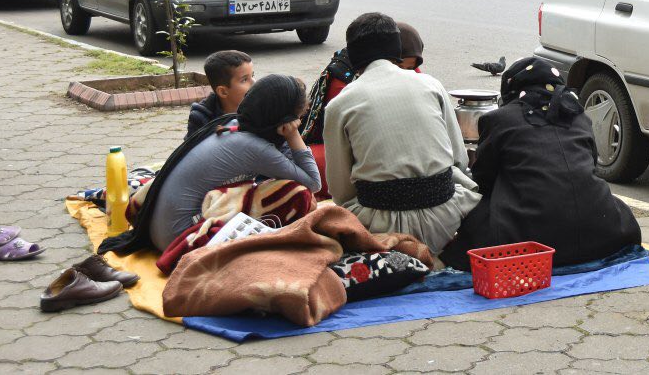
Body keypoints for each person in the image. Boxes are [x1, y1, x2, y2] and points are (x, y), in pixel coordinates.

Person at [439, 57, 642, 271]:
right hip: (600, 232)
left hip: (532, 237)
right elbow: (589, 166)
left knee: (474, 214)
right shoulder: (579, 116)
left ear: (511, 89)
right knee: (612, 206)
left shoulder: (500, 119)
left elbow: (483, 180)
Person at [100, 74, 320, 255]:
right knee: (296, 193)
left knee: (259, 190)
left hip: (155, 231)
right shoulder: (255, 147)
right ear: (284, 119)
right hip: (179, 242)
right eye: (299, 115)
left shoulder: (232, 123)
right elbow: (313, 182)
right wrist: (294, 136)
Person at [322, 13, 480, 254]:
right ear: (396, 49)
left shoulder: (340, 104)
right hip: (446, 219)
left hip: (379, 228)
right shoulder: (431, 84)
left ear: (353, 54)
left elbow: (341, 191)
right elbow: (459, 159)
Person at [301, 22, 425, 198]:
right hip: (353, 148)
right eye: (400, 67)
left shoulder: (420, 80)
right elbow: (343, 146)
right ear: (387, 58)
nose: (405, 74)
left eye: (410, 69)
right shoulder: (343, 85)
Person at [187, 51, 255, 138]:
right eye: (244, 80)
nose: (254, 83)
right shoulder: (201, 118)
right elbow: (191, 149)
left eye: (252, 76)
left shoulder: (258, 109)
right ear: (223, 92)